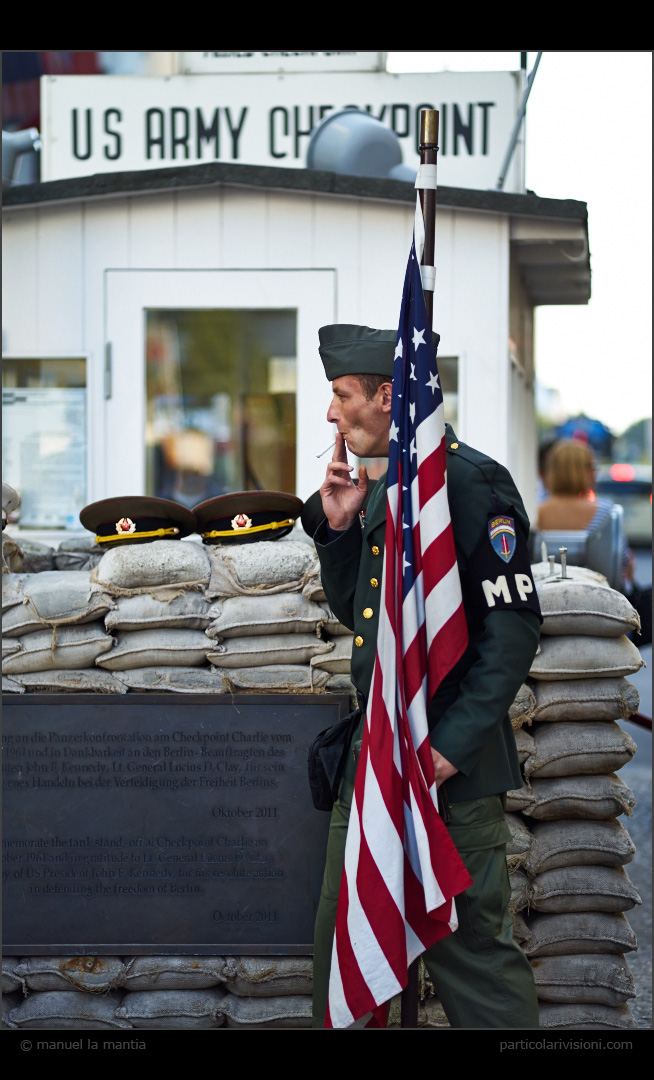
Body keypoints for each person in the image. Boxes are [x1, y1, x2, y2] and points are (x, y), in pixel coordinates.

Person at [310, 323, 542, 1029]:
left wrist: (447, 749)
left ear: (387, 394)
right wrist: (343, 529)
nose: (331, 414)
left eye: (341, 395)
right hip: (377, 761)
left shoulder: (469, 484)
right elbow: (363, 612)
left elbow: (512, 634)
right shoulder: (390, 487)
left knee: (472, 961)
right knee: (345, 953)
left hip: (448, 776)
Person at [537, 440, 635, 585]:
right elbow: (623, 565)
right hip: (597, 600)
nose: (595, 473)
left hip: (545, 597)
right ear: (584, 471)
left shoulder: (536, 512)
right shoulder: (606, 513)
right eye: (593, 467)